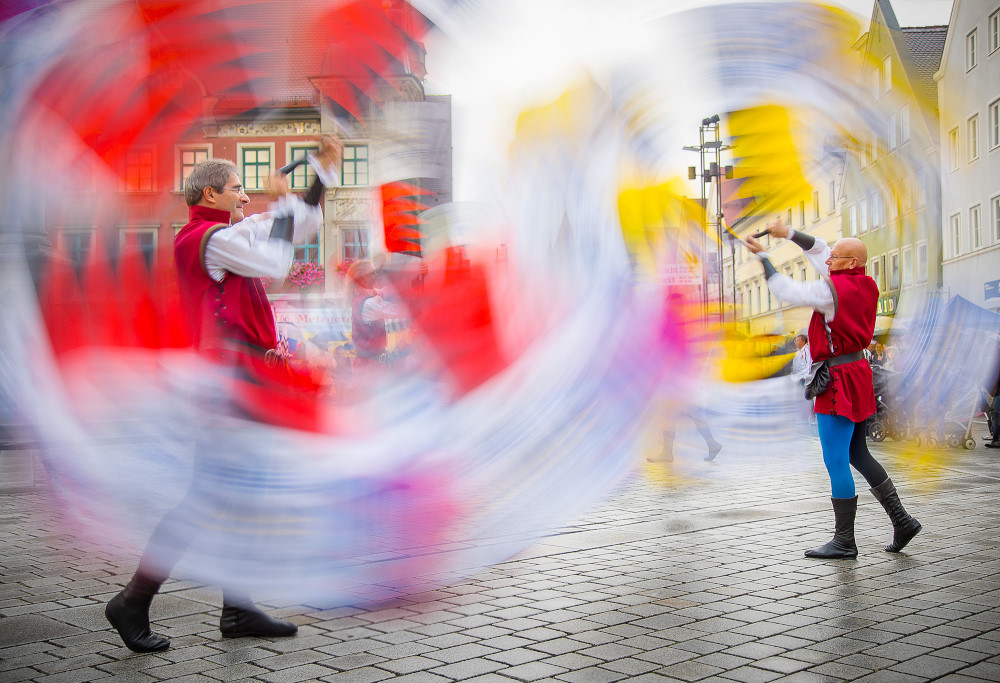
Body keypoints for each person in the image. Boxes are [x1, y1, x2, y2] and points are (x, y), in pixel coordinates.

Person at [104, 137, 342, 653]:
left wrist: (318, 176)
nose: (244, 196)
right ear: (210, 192)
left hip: (244, 384)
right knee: (208, 498)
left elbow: (294, 225)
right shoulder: (206, 240)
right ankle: (133, 601)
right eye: (236, 188)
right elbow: (277, 260)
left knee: (244, 493)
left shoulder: (229, 233)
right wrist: (280, 204)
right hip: (225, 388)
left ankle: (236, 609)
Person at [744, 217, 920, 559]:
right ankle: (902, 521)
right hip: (857, 372)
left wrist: (764, 257)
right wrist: (789, 234)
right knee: (858, 453)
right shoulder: (866, 284)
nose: (827, 261)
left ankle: (844, 541)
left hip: (837, 380)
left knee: (836, 459)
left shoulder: (831, 291)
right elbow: (822, 249)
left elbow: (785, 290)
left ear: (850, 262)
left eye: (836, 258)